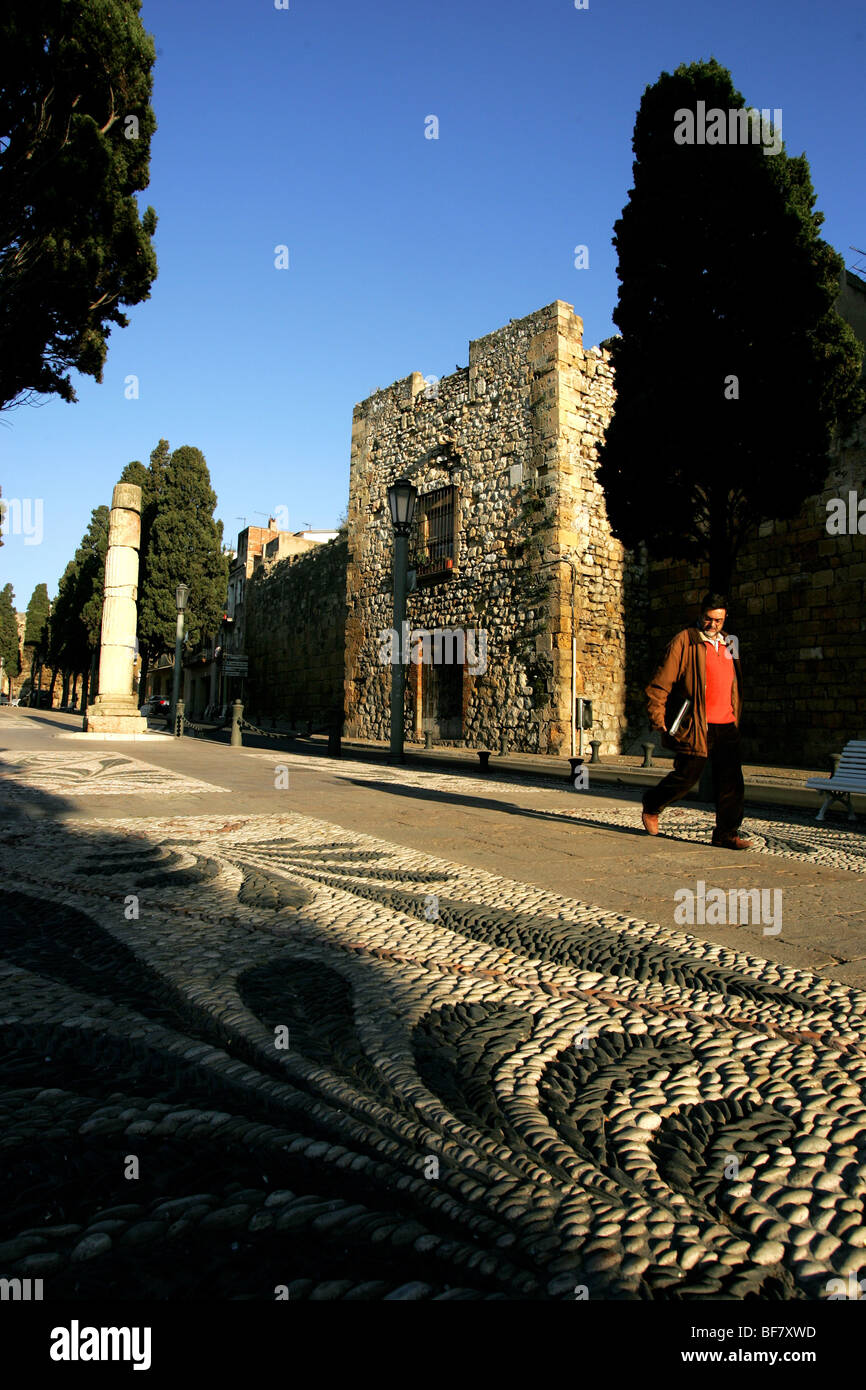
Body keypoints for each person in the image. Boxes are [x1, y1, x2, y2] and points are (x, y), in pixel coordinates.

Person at [641, 592, 751, 850]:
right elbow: (660, 682)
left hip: (727, 724)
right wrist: (658, 717)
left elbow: (734, 683)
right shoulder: (685, 640)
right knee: (686, 777)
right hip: (697, 724)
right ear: (701, 614)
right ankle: (653, 804)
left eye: (719, 621)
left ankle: (726, 833)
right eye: (709, 619)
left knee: (732, 783)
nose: (713, 626)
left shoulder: (730, 642)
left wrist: (736, 715)